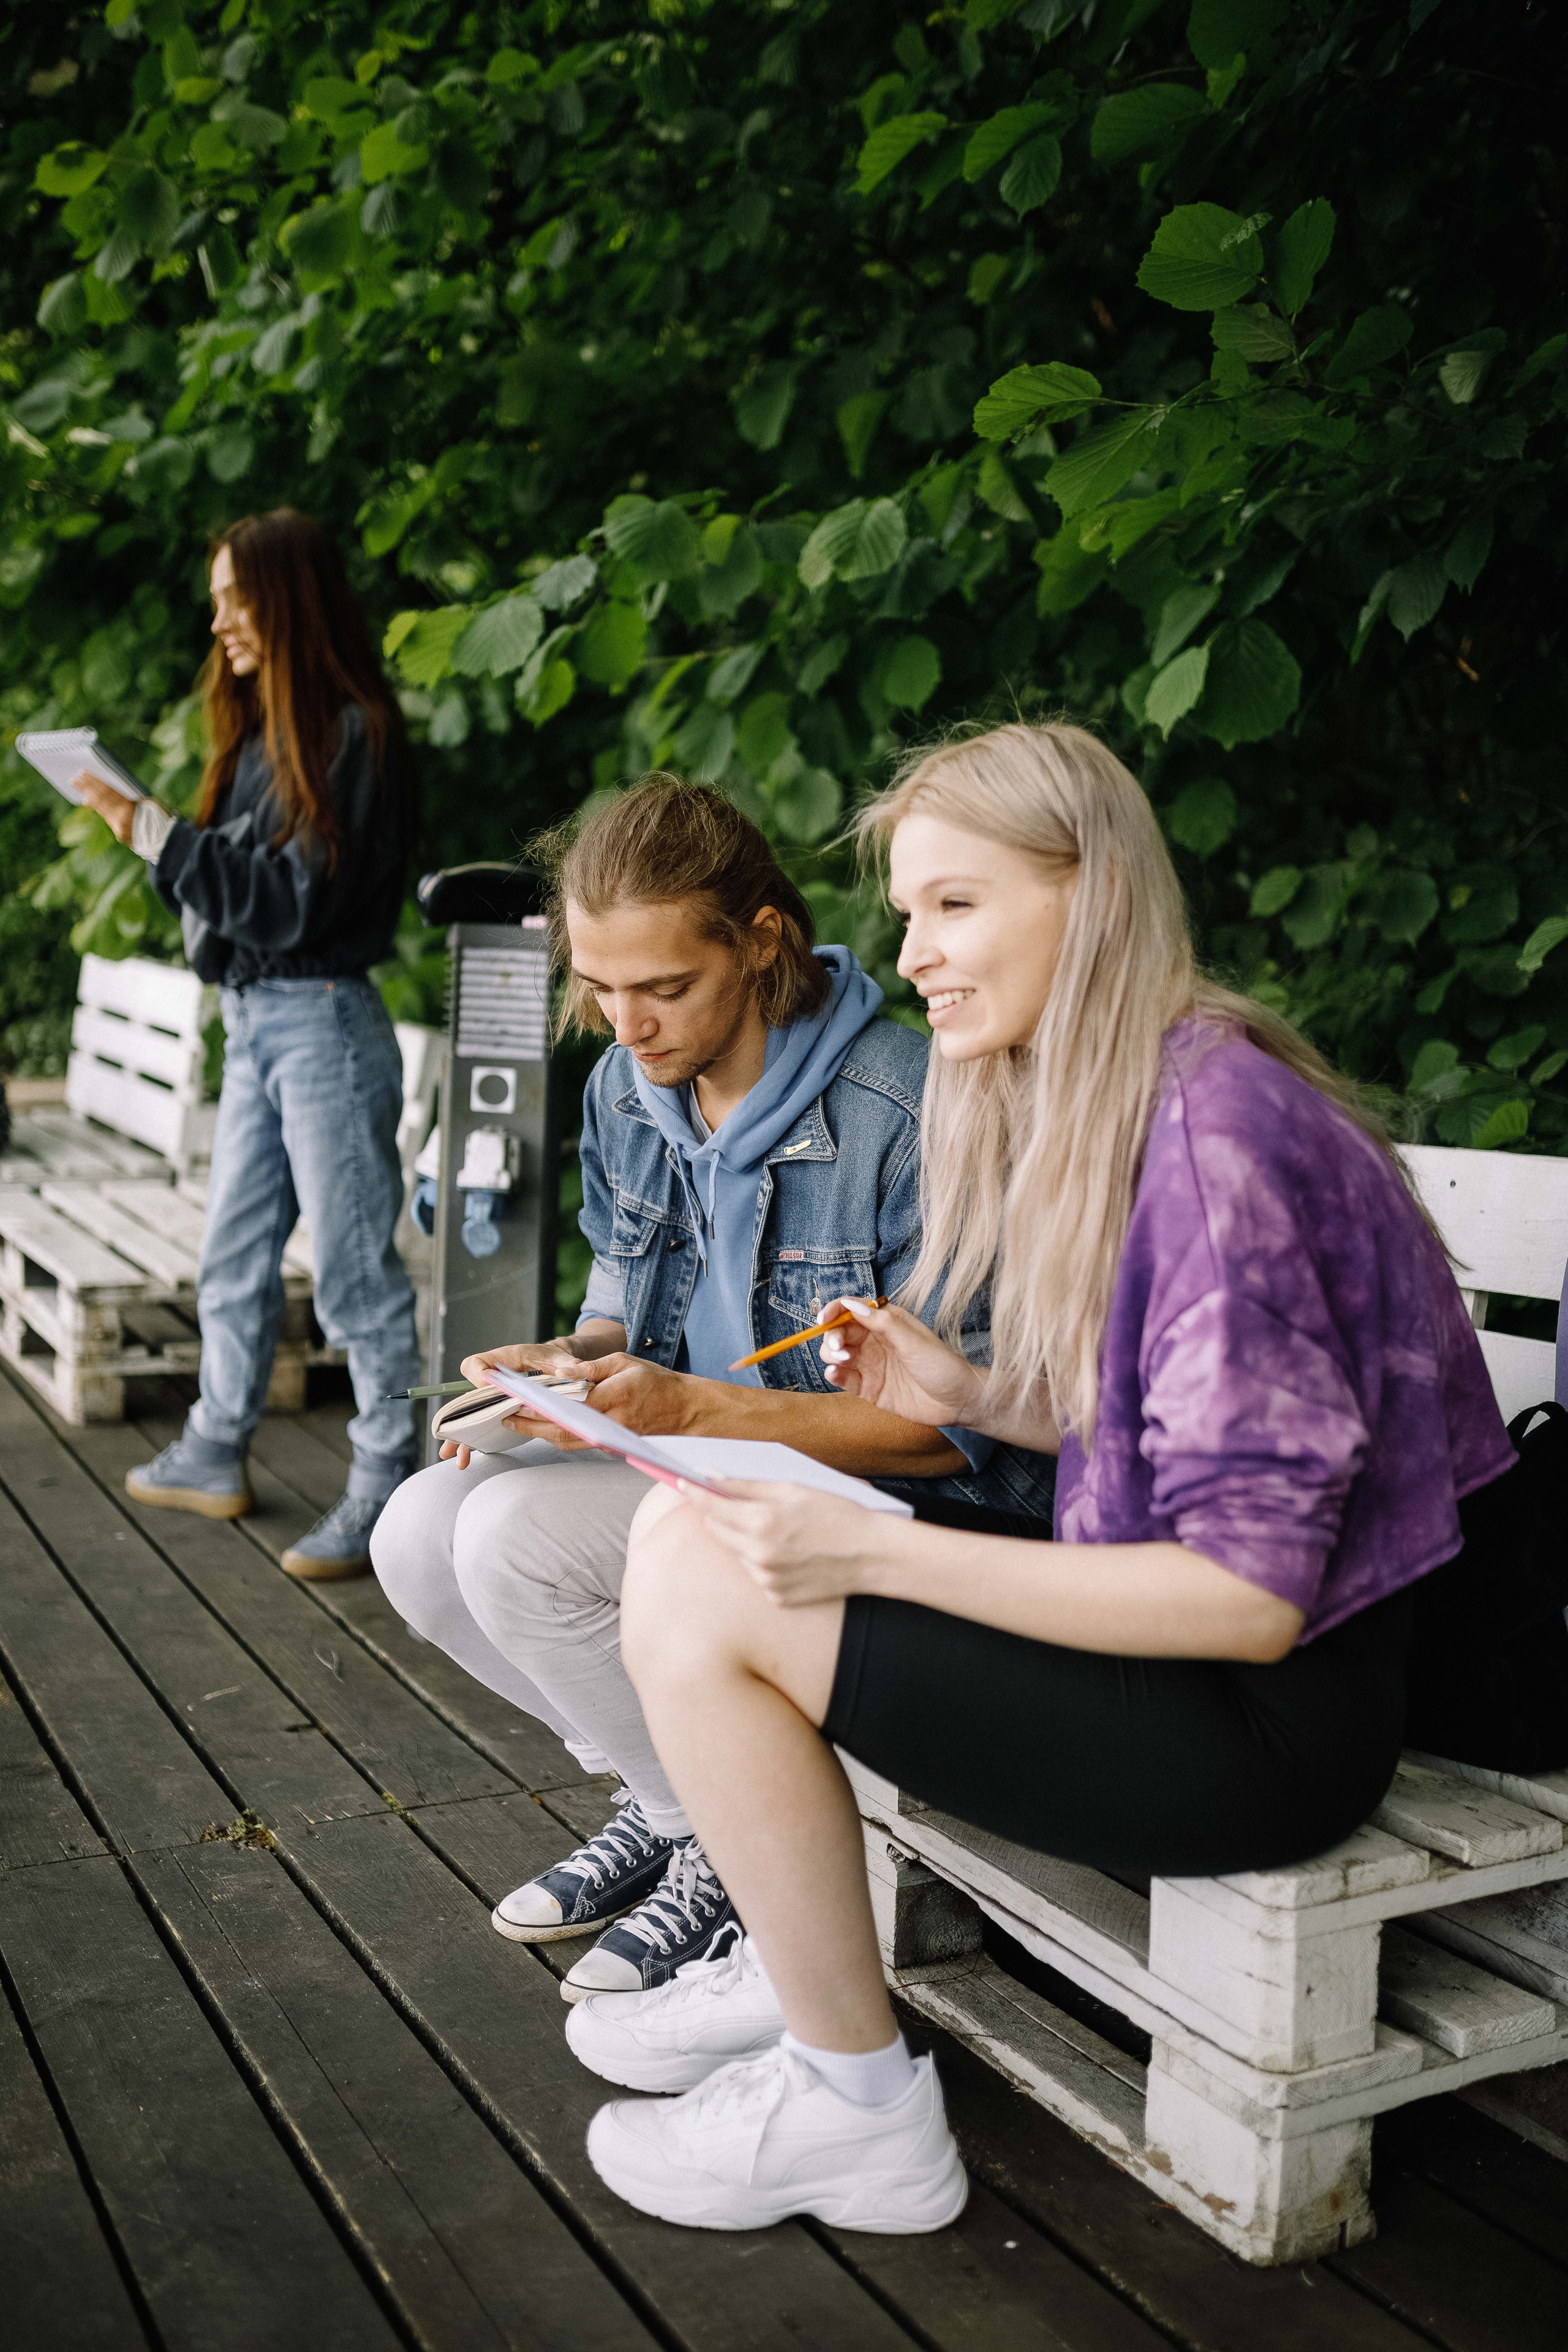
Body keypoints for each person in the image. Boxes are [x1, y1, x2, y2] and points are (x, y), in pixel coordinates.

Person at [561, 720, 1515, 2237]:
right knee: (702, 1533)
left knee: (703, 1564)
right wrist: (984, 1399)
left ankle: (852, 2106)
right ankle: (812, 2027)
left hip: (1264, 1727)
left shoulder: (1218, 1139)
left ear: (1092, 893)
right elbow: (1206, 1440)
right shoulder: (1150, 1085)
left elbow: (1248, 1592)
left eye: (955, 903)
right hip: (1215, 1675)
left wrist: (863, 1554)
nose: (913, 950)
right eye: (906, 911)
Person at [371, 775, 1055, 1999]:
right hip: (704, 1464)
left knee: (517, 1539)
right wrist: (567, 1368)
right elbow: (622, 1305)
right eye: (599, 987)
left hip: (901, 1511)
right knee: (419, 1526)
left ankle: (735, 1851)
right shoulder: (628, 1090)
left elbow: (968, 1439)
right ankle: (677, 1809)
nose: (625, 1024)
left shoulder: (912, 1106)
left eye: (663, 987)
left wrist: (681, 1407)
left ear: (759, 944)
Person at [75, 508, 421, 1577]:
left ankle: (386, 1487)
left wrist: (153, 835)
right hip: (258, 1024)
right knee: (232, 1256)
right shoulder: (261, 742)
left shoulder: (357, 731)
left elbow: (290, 903)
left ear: (289, 598)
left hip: (322, 1020)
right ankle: (216, 1447)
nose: (218, 618)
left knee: (354, 1271)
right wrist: (169, 838)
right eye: (217, 597)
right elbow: (230, 911)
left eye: (236, 596)